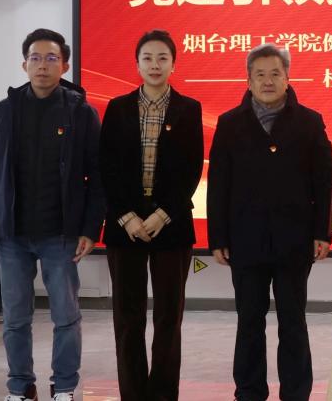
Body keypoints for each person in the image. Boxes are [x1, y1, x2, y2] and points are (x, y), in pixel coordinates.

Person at [0, 28, 105, 401]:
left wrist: (90, 228)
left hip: (61, 233)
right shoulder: (3, 113)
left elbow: (98, 177)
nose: (42, 65)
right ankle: (20, 385)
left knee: (66, 316)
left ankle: (64, 385)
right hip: (10, 235)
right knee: (15, 319)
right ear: (24, 64)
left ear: (65, 65)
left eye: (51, 58)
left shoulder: (81, 113)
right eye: (35, 58)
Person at [207, 43, 332, 401]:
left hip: (295, 240)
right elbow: (219, 184)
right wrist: (218, 237)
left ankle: (296, 393)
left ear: (287, 78)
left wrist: (322, 232)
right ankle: (249, 392)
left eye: (275, 73)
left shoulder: (309, 122)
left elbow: (325, 183)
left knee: (293, 321)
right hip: (245, 240)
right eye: (259, 74)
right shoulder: (230, 123)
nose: (267, 81)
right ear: (248, 81)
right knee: (249, 320)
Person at [99, 30, 204, 401]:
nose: (155, 65)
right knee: (127, 318)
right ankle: (132, 393)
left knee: (168, 318)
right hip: (124, 226)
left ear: (174, 64)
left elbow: (191, 169)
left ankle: (162, 394)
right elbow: (106, 167)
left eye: (162, 58)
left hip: (171, 225)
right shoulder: (117, 108)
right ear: (137, 64)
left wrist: (163, 214)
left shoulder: (189, 109)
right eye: (147, 58)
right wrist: (126, 216)